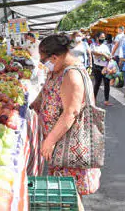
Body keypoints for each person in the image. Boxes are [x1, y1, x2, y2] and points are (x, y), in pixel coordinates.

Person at [30, 34, 101, 209]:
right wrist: (35, 103)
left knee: (70, 191)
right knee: (65, 191)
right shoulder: (58, 70)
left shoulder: (72, 75)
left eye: (43, 59)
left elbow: (71, 112)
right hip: (61, 143)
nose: (42, 63)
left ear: (55, 57)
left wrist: (50, 140)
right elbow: (48, 92)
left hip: (69, 143)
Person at [90, 32, 112, 106]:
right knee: (97, 83)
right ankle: (93, 99)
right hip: (97, 67)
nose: (103, 39)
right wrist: (103, 54)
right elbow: (94, 53)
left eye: (104, 37)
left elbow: (109, 57)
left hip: (105, 67)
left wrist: (106, 67)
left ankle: (106, 100)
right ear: (97, 38)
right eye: (101, 37)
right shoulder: (93, 45)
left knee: (107, 83)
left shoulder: (105, 46)